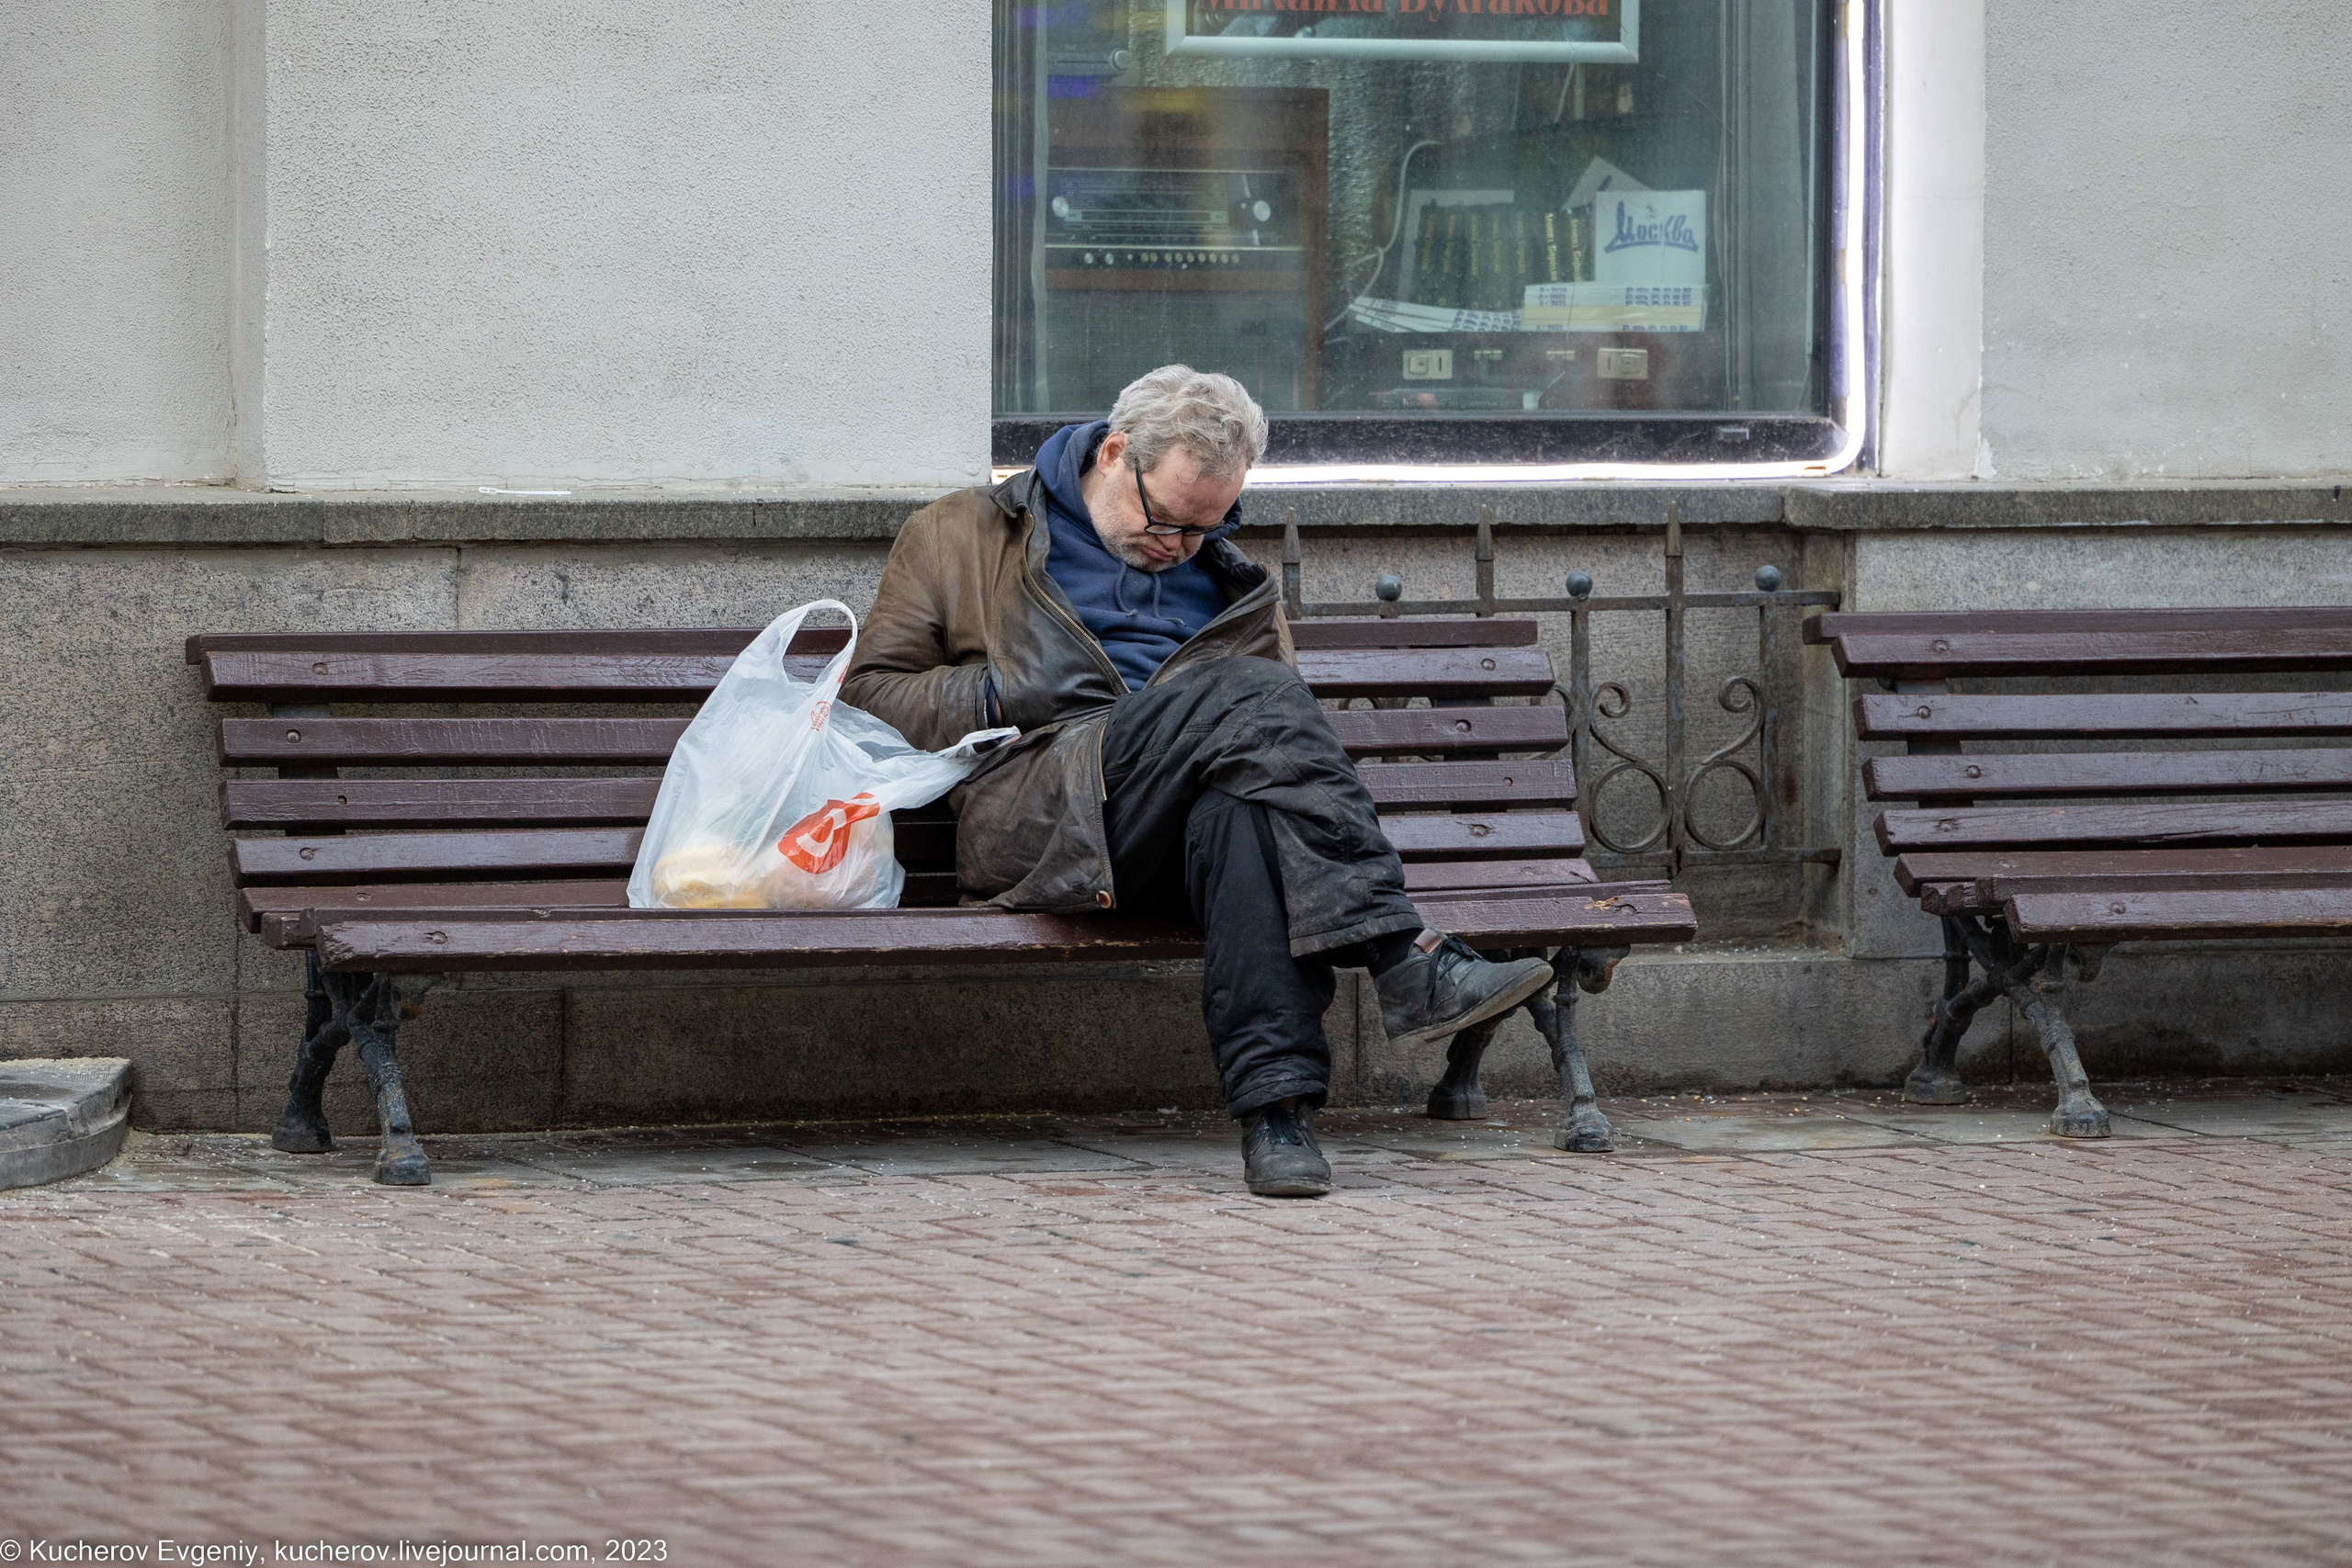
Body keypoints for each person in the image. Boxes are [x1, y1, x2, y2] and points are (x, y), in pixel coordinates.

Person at [842, 366, 1554, 1197]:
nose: (1178, 546)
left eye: (1206, 527)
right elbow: (866, 698)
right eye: (1167, 520)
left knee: (1244, 817)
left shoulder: (1230, 585)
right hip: (1044, 808)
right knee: (1249, 690)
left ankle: (1277, 1117)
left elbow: (1276, 759)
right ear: (1114, 454)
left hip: (1174, 831)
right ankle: (1401, 954)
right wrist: (1000, 691)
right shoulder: (962, 532)